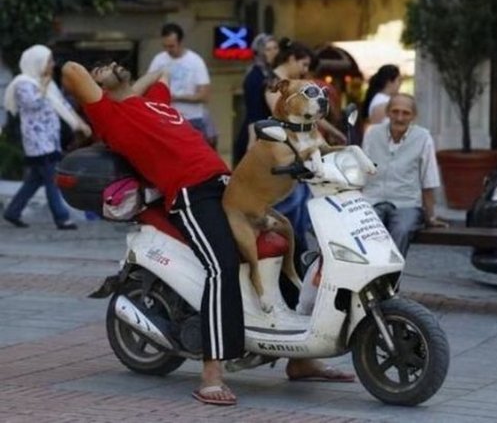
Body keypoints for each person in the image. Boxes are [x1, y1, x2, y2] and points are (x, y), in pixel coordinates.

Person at [61, 60, 243, 406]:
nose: (112, 65)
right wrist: (108, 90)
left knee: (278, 249)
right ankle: (211, 375)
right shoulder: (110, 118)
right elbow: (71, 69)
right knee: (222, 268)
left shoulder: (152, 102)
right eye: (102, 67)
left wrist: (126, 87)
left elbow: (162, 74)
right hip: (192, 193)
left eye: (116, 63)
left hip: (227, 184)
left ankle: (300, 359)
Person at [263, 37, 355, 382]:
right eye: (305, 65)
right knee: (291, 233)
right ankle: (288, 306)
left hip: (297, 160)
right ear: (296, 60)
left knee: (302, 233)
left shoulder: (298, 88)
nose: (307, 72)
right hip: (277, 162)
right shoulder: (276, 84)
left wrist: (336, 143)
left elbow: (309, 122)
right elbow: (288, 118)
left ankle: (301, 322)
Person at [2, 45, 91, 230]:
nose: (51, 65)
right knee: (53, 180)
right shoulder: (23, 83)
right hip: (38, 143)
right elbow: (33, 104)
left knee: (34, 181)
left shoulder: (47, 83)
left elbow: (62, 104)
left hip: (50, 140)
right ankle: (62, 218)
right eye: (48, 61)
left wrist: (79, 123)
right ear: (37, 62)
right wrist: (42, 85)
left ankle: (12, 211)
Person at [361, 93, 448, 258]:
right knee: (368, 231)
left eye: (405, 113)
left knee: (401, 230)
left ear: (413, 116)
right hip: (372, 200)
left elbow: (428, 180)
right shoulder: (372, 133)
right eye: (395, 111)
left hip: (406, 203)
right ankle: (369, 279)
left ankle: (390, 280)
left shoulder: (423, 137)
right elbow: (362, 171)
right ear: (387, 112)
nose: (399, 117)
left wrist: (431, 216)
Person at [147, 23, 211, 137]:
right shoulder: (158, 60)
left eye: (171, 46)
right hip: (165, 118)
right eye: (165, 46)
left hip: (191, 119)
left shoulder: (195, 61)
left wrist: (176, 97)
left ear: (180, 42)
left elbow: (204, 95)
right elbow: (148, 86)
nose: (168, 50)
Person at [232, 33, 279, 166]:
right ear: (259, 52)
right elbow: (254, 113)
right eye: (268, 49)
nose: (273, 52)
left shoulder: (270, 74)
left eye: (275, 48)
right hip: (256, 134)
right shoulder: (255, 77)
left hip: (268, 131)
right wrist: (251, 142)